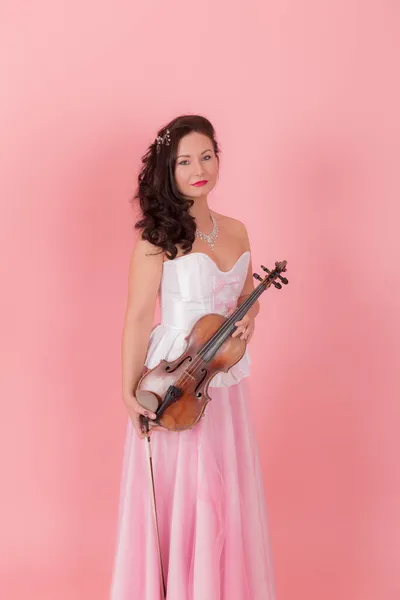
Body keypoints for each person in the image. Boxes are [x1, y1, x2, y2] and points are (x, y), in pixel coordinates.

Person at [109, 115, 277, 600]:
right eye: (184, 161)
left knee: (222, 494)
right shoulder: (157, 238)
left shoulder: (237, 230)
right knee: (185, 494)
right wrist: (127, 390)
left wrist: (250, 319)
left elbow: (247, 299)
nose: (198, 168)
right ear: (168, 169)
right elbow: (139, 316)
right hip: (174, 381)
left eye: (206, 155)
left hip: (220, 380)